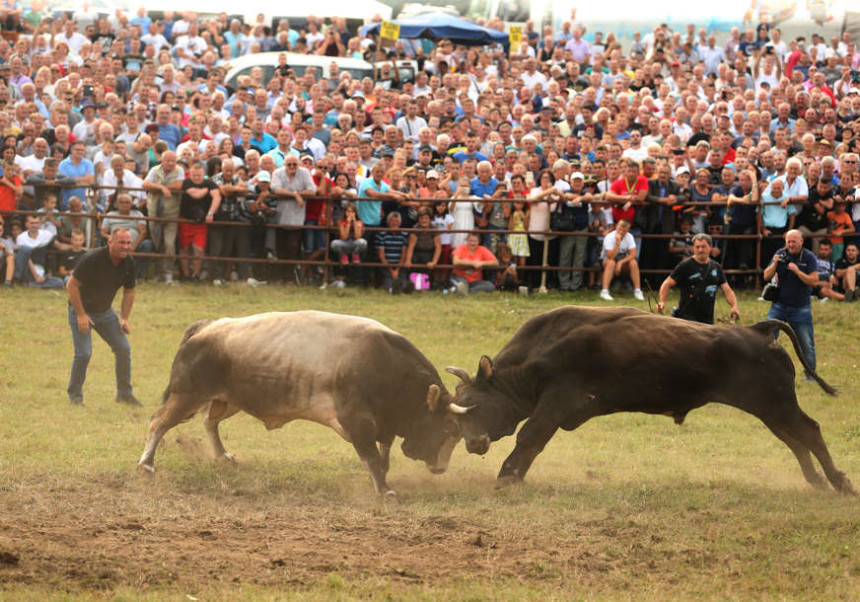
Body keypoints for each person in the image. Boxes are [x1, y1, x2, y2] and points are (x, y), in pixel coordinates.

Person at [66, 227, 140, 407]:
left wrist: (124, 318)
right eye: (122, 242)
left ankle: (124, 394)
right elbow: (71, 286)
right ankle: (75, 396)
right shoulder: (92, 259)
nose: (126, 247)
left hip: (105, 312)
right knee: (84, 353)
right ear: (110, 243)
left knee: (123, 348)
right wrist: (81, 315)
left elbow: (129, 291)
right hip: (82, 310)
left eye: (128, 243)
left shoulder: (129, 263)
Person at [762, 229, 819, 378]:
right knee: (766, 339)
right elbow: (766, 276)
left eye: (794, 241)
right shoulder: (781, 253)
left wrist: (797, 271)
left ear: (801, 241)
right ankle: (763, 372)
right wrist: (775, 263)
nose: (791, 245)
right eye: (789, 241)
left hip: (800, 308)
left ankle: (811, 376)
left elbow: (814, 281)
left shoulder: (809, 257)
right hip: (779, 306)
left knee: (806, 344)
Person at [657, 233, 740, 324]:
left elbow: (727, 290)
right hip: (686, 319)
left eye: (703, 247)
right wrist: (662, 302)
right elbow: (667, 283)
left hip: (707, 320)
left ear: (710, 247)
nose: (700, 250)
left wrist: (734, 306)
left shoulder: (716, 267)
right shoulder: (685, 265)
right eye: (697, 247)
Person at [599, 219, 644, 301]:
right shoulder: (609, 237)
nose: (621, 232)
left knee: (633, 263)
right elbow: (610, 256)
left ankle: (638, 290)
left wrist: (620, 263)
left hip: (622, 262)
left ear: (627, 231)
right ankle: (604, 291)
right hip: (607, 260)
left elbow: (633, 255)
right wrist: (617, 242)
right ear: (616, 227)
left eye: (624, 230)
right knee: (611, 263)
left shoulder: (629, 237)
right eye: (620, 229)